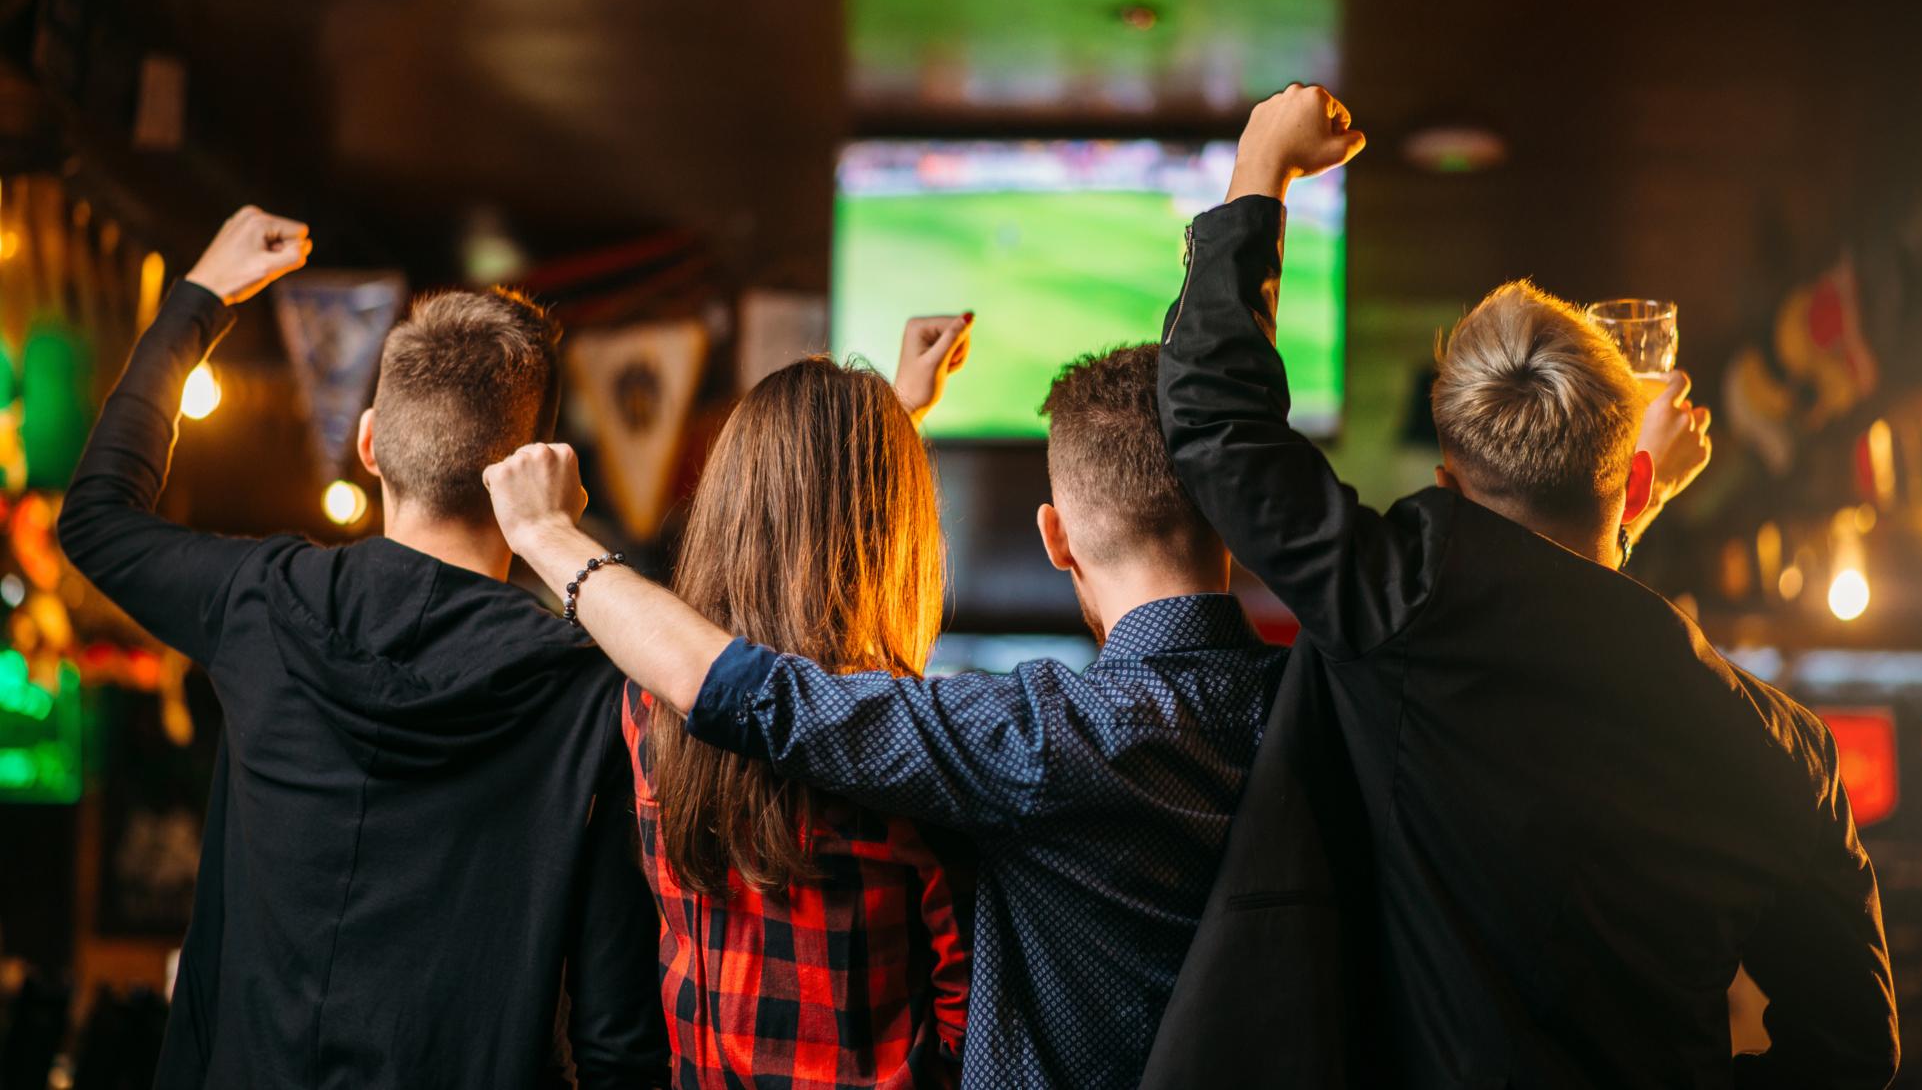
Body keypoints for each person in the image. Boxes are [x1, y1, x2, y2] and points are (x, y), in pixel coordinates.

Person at [1140, 85, 1898, 1089]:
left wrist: (1259, 171)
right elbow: (1850, 1052)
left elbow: (1215, 426)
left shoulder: (1388, 604)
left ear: (1448, 480)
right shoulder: (1783, 754)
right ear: (1630, 480)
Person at [481, 342, 1290, 1090]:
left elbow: (735, 679)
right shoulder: (1292, 701)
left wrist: (547, 533)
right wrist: (876, 447)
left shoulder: (647, 710)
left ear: (1057, 535)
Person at [58, 208, 665, 1090]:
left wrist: (201, 298)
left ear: (370, 442)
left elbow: (98, 516)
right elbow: (618, 1041)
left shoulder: (260, 601)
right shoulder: (590, 693)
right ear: (537, 469)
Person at [620, 348, 972, 1088]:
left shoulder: (648, 702)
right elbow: (967, 1002)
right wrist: (877, 445)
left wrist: (883, 421)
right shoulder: (903, 732)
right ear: (893, 529)